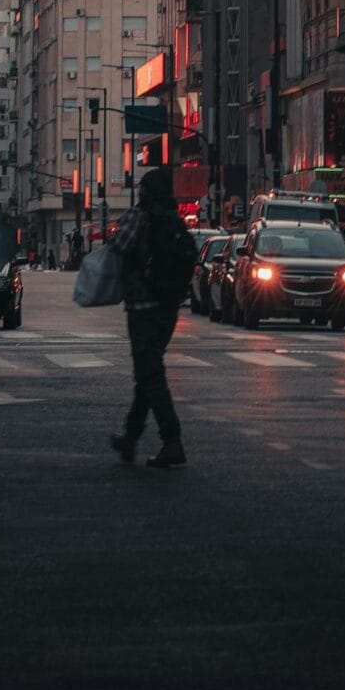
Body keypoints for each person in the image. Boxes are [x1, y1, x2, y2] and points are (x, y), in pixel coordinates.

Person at [109, 166, 196, 469]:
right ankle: (130, 438)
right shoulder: (174, 221)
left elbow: (117, 247)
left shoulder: (138, 217)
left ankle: (172, 441)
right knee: (148, 375)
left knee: (151, 376)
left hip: (143, 309)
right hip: (168, 309)